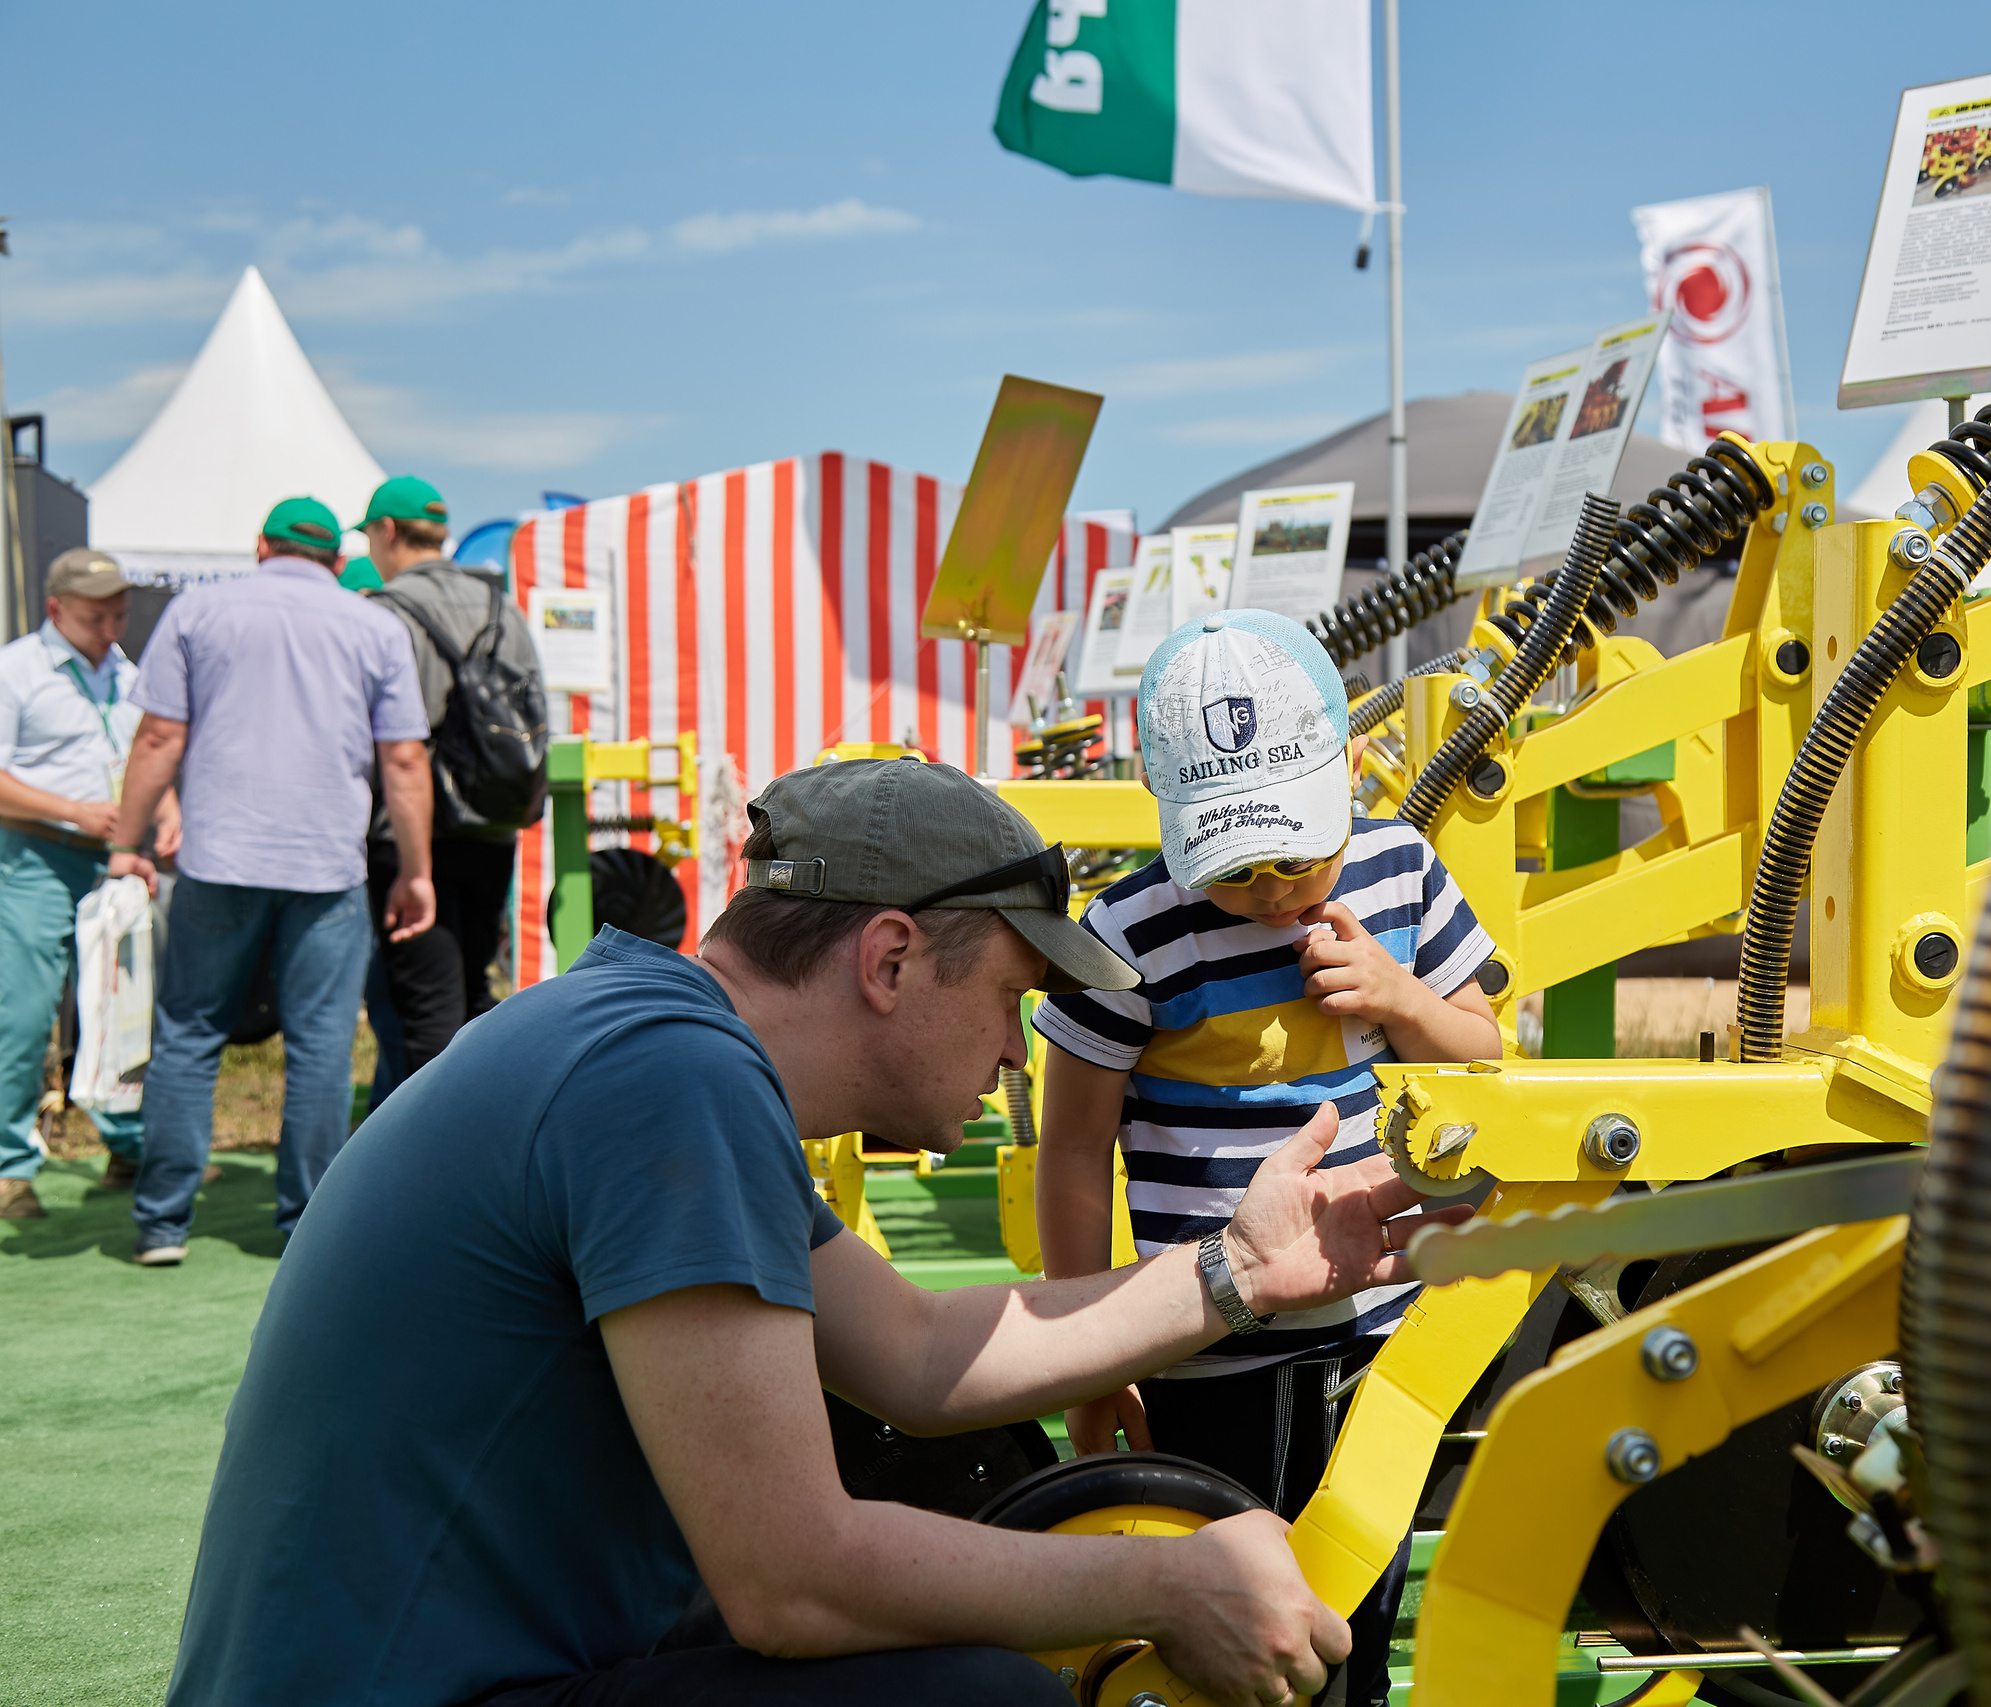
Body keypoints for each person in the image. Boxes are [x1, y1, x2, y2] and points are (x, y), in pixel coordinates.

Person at [165, 756, 1454, 1707]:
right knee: (979, 1704)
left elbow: (915, 1351)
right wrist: (1164, 1583)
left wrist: (1246, 1270)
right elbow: (796, 1582)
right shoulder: (667, 1079)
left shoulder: (640, 1040)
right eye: (1010, 996)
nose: (1016, 1053)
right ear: (890, 961)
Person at [1033, 610, 1502, 1707]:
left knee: (1360, 1612)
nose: (1274, 892)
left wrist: (1400, 999)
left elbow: (1484, 1058)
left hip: (1390, 1324)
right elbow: (1070, 1149)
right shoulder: (1134, 931)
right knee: (1241, 1616)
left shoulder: (1398, 869)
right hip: (1214, 1338)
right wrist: (1089, 1350)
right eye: (1236, 868)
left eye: (1298, 851)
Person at [110, 496, 436, 1267]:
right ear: (334, 555)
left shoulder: (198, 611)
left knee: (189, 1032)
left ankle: (163, 1222)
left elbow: (159, 734)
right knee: (321, 1046)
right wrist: (415, 871)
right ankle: (307, 1227)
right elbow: (403, 760)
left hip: (219, 856)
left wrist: (128, 842)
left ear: (262, 544)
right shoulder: (373, 625)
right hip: (326, 860)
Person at [0, 550, 181, 1216]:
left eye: (120, 612)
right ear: (56, 610)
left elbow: (144, 758)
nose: (112, 625)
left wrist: (165, 815)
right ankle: (9, 1167)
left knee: (123, 1009)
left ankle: (128, 1145)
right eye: (95, 614)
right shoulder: (15, 671)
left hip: (115, 860)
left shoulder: (126, 673)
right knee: (23, 1013)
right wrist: (74, 811)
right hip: (36, 858)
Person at [355, 474, 544, 1078]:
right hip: (492, 819)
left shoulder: (382, 614)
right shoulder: (501, 605)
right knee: (470, 995)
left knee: (426, 1010)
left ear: (386, 533)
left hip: (411, 832)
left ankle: (430, 1163)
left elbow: (388, 745)